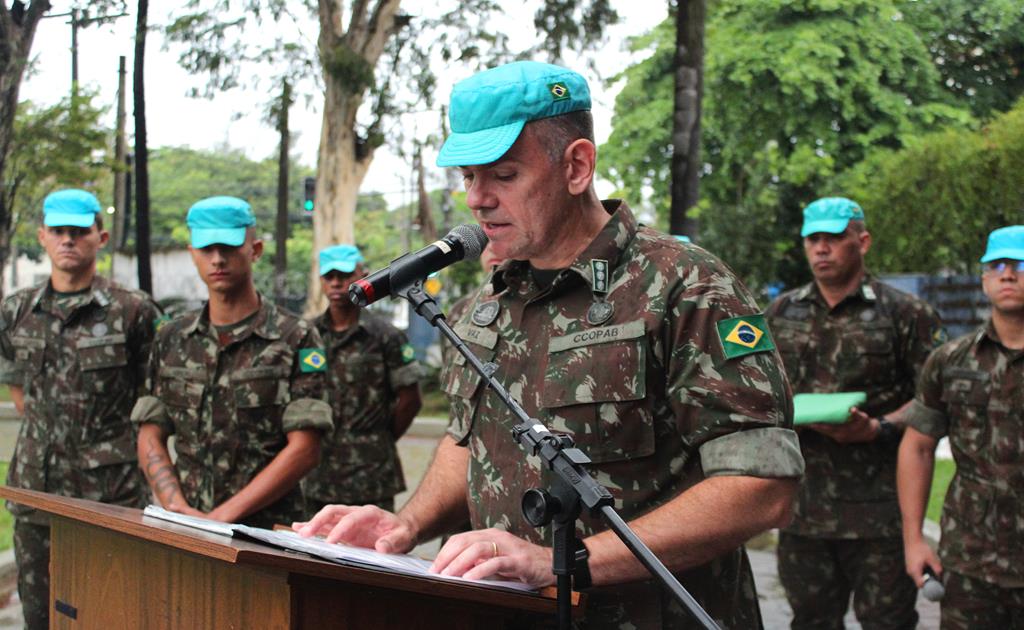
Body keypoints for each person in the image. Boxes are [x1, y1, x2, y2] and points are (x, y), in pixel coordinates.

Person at [296, 60, 804, 629]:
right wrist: (404, 526)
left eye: (503, 175)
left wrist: (563, 562)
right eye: (468, 177)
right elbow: (469, 442)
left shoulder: (685, 286)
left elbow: (761, 486)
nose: (477, 199)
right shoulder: (490, 303)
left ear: (577, 166)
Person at [766, 197, 946, 629]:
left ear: (862, 242)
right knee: (810, 622)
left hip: (880, 512)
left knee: (888, 621)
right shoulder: (780, 312)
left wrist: (881, 427)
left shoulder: (907, 314)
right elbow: (762, 390)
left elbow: (936, 400)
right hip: (803, 510)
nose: (821, 248)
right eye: (813, 239)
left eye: (833, 238)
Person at [0, 189, 160, 630]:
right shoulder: (16, 311)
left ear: (100, 237)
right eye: (58, 232)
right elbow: (19, 391)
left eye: (79, 231)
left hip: (111, 497)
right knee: (40, 614)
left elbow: (152, 400)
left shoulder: (133, 310)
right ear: (43, 237)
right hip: (37, 490)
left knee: (113, 613)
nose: (68, 240)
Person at [131, 196, 332, 528]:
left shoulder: (296, 337)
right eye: (206, 250)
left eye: (228, 247)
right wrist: (175, 505)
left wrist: (221, 518)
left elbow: (305, 449)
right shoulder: (172, 337)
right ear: (192, 253)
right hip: (186, 525)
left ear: (255, 250)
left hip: (266, 532)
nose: (218, 259)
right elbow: (151, 432)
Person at [898, 225, 1024, 629]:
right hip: (970, 565)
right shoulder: (951, 360)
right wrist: (914, 539)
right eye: (998, 264)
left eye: (1021, 265)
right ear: (984, 278)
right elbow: (917, 447)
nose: (1009, 274)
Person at [302, 244, 423, 516]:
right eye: (329, 276)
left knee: (370, 554)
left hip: (370, 475)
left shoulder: (385, 335)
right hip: (315, 474)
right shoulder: (306, 335)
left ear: (363, 275)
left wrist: (379, 438)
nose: (336, 283)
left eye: (344, 276)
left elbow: (410, 400)